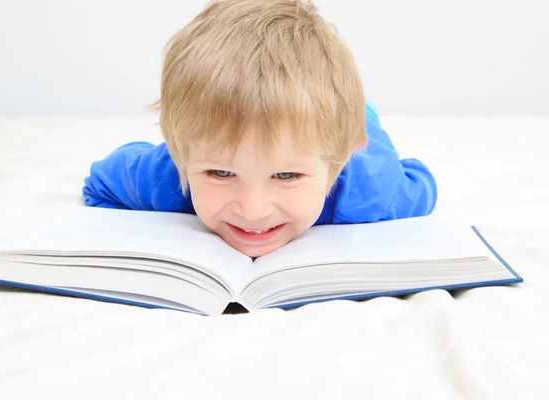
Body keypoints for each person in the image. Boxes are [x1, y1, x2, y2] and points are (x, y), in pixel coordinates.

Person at [82, 0, 437, 257]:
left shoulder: (375, 192)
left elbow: (421, 180)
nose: (253, 210)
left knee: (360, 119)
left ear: (337, 161)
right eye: (220, 172)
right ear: (178, 156)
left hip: (361, 130)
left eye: (286, 175)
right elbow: (100, 184)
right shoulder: (162, 178)